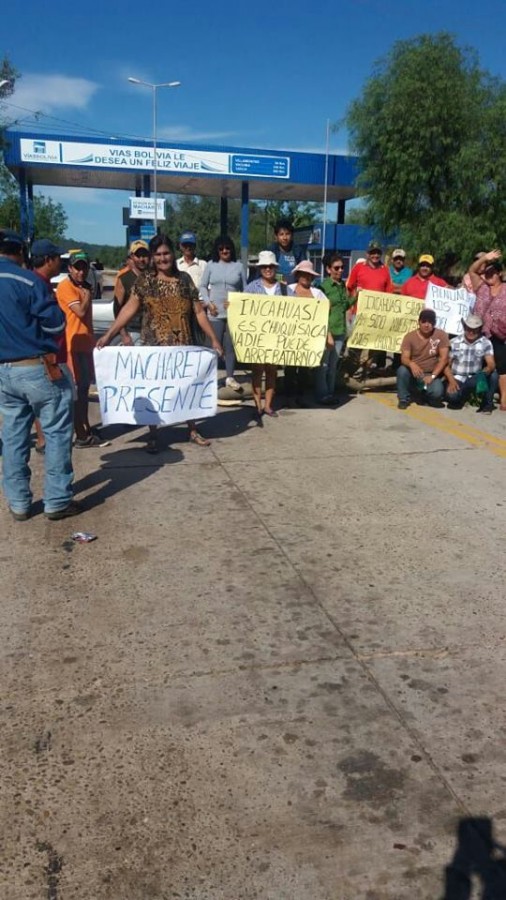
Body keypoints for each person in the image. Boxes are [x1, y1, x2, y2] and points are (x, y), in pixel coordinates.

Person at [96, 234, 223, 453]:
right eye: (158, 254)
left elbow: (198, 312)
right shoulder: (145, 281)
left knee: (188, 388)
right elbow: (128, 309)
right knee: (153, 392)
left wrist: (213, 339)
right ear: (153, 258)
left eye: (166, 253)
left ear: (173, 254)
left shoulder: (184, 279)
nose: (162, 258)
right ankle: (153, 435)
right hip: (153, 348)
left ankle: (192, 429)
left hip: (184, 345)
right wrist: (109, 335)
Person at [0, 229, 80, 521]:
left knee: (13, 436)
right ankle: (57, 501)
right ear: (20, 251)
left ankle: (19, 502)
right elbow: (56, 324)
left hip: (3, 372)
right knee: (57, 433)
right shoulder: (29, 280)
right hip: (34, 366)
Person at [56, 250, 107, 448]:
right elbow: (80, 311)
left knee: (84, 390)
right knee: (76, 392)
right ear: (69, 268)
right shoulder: (66, 287)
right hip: (71, 345)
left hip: (85, 344)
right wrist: (86, 295)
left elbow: (87, 319)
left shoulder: (85, 286)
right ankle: (80, 433)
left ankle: (85, 427)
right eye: (77, 267)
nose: (81, 271)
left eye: (84, 267)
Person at [30, 238, 66, 454]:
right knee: (54, 419)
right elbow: (55, 324)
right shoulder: (37, 285)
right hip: (44, 361)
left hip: (40, 360)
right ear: (47, 260)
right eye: (57, 258)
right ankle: (59, 487)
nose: (60, 262)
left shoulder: (36, 283)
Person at [199, 235, 245, 391]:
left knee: (230, 347)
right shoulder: (211, 265)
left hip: (233, 313)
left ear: (232, 249)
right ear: (217, 250)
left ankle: (230, 377)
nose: (225, 251)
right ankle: (210, 379)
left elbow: (244, 291)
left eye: (227, 248)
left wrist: (237, 303)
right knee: (214, 347)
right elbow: (203, 286)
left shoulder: (239, 266)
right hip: (215, 313)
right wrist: (208, 303)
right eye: (221, 248)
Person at [246, 250, 285, 422]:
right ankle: (257, 405)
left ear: (275, 268)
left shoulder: (284, 288)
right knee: (257, 372)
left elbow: (296, 308)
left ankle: (268, 405)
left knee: (271, 372)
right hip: (258, 337)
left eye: (270, 266)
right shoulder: (252, 287)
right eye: (264, 266)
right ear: (260, 268)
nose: (268, 269)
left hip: (276, 337)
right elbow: (242, 308)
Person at [285, 260, 328, 407]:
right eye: (303, 274)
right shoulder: (288, 290)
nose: (306, 277)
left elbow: (325, 311)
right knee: (289, 369)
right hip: (290, 336)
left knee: (304, 370)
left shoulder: (317, 293)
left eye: (309, 275)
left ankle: (301, 397)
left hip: (308, 339)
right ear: (298, 275)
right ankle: (289, 397)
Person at [468, 249, 506, 410]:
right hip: (479, 333)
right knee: (480, 365)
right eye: (487, 273)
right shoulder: (481, 287)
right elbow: (472, 270)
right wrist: (485, 257)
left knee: (502, 366)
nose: (488, 275)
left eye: (492, 273)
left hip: (499, 334)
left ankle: (504, 397)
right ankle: (478, 394)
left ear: (499, 274)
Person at [317, 253, 355, 403]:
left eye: (342, 267)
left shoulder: (342, 286)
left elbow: (344, 305)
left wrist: (356, 296)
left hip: (340, 331)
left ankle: (330, 393)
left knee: (333, 366)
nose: (340, 270)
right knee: (323, 366)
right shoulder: (323, 287)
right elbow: (320, 311)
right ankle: (322, 394)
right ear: (328, 269)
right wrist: (327, 333)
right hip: (328, 331)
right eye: (336, 268)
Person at [396, 308, 449, 409]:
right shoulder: (409, 336)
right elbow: (404, 358)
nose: (426, 325)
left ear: (434, 323)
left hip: (431, 372)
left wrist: (433, 376)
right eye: (423, 321)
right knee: (402, 370)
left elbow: (444, 358)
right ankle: (403, 398)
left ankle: (423, 395)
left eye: (430, 322)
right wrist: (412, 364)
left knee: (437, 393)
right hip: (415, 372)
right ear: (419, 322)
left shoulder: (441, 335)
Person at [445, 313, 496, 413]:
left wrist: (486, 371)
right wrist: (451, 380)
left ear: (480, 329)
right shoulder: (454, 342)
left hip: (475, 377)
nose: (471, 332)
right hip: (457, 377)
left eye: (475, 329)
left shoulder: (486, 342)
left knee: (494, 375)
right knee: (452, 397)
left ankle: (487, 404)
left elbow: (491, 363)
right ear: (464, 327)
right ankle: (462, 397)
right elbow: (446, 365)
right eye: (468, 328)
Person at [113, 239, 150, 345]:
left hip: (151, 332)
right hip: (132, 332)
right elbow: (117, 309)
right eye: (138, 256)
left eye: (145, 255)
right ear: (132, 257)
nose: (142, 259)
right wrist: (124, 334)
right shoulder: (124, 279)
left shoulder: (154, 277)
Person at [268, 219, 306, 284]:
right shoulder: (271, 251)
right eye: (281, 234)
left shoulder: (299, 251)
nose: (285, 238)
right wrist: (279, 281)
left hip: (294, 288)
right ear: (276, 236)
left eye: (287, 234)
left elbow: (304, 270)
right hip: (275, 287)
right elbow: (265, 272)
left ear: (292, 235)